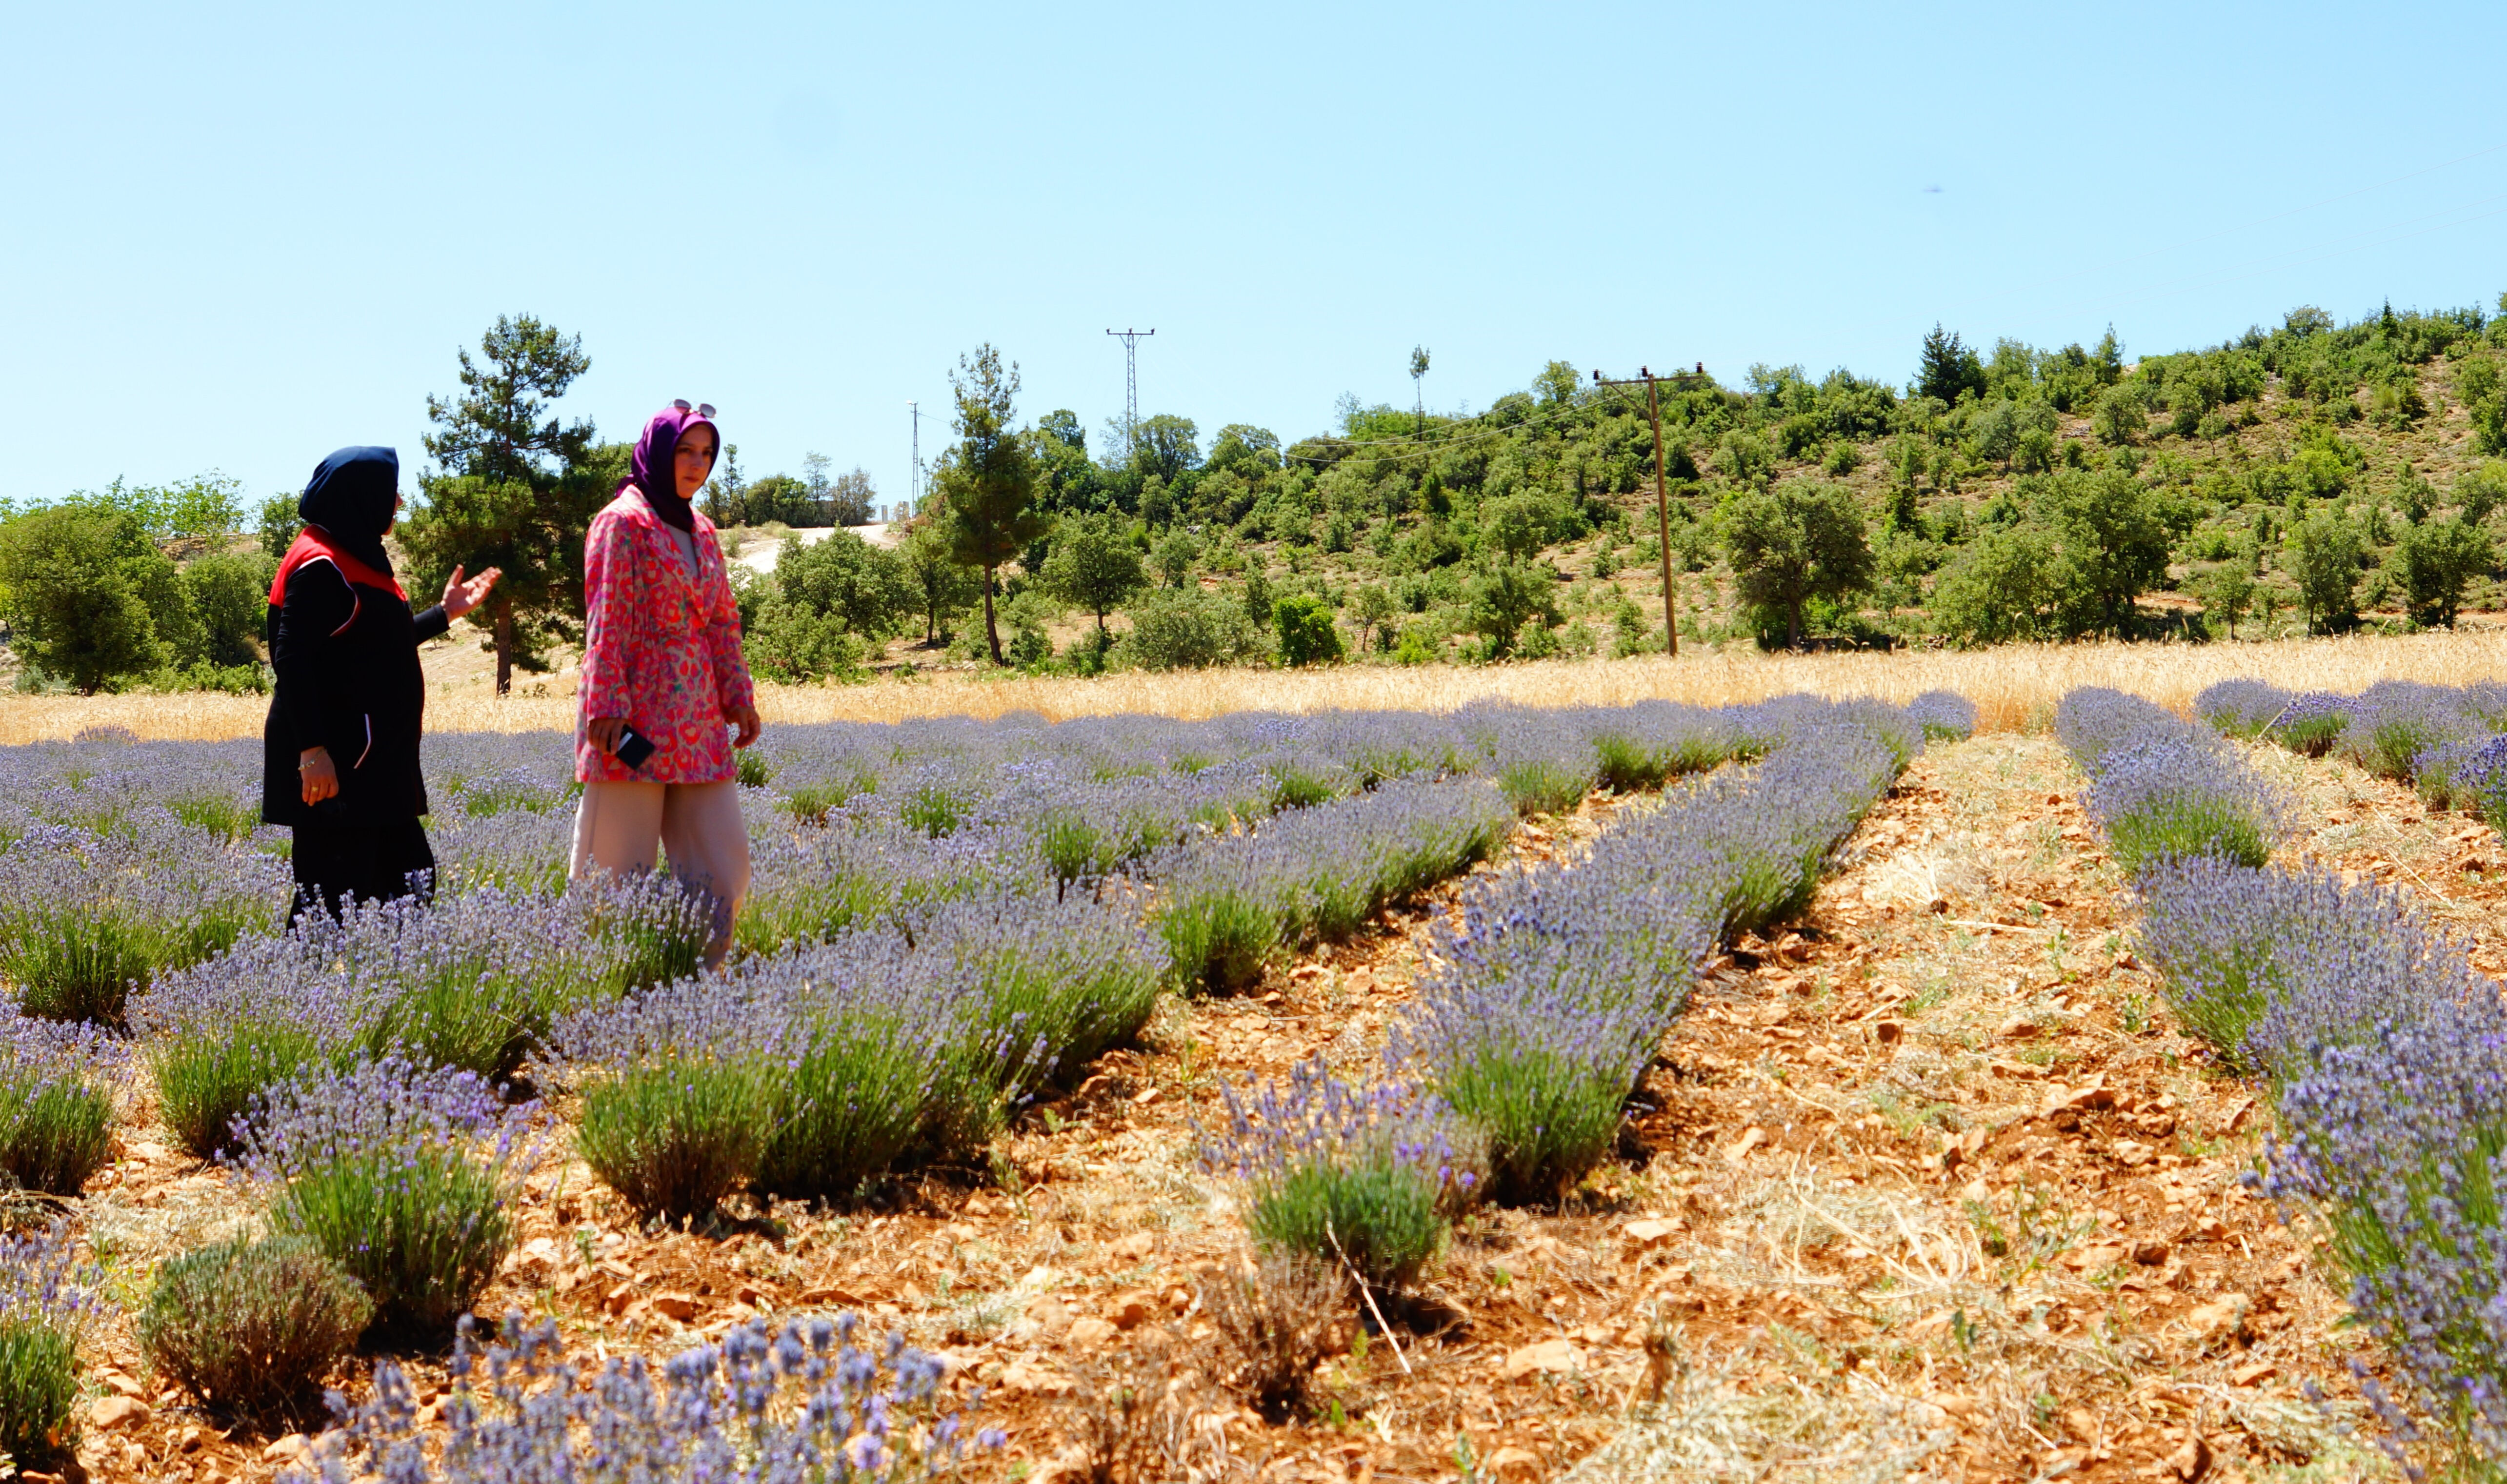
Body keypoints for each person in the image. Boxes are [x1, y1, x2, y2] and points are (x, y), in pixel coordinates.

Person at [263, 446, 501, 921]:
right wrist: (312, 751)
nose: (396, 503)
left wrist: (445, 614)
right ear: (361, 495)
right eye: (392, 493)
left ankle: (389, 990)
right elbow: (291, 658)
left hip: (375, 769)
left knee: (410, 885)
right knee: (325, 905)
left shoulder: (356, 556)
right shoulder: (320, 563)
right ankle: (291, 992)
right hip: (339, 769)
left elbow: (379, 645)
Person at [572, 401, 762, 968]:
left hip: (699, 721)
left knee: (725, 869)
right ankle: (606, 988)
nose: (697, 465)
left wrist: (739, 698)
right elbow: (607, 617)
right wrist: (605, 707)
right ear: (659, 451)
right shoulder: (621, 521)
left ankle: (698, 984)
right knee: (614, 876)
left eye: (707, 454)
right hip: (632, 718)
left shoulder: (703, 531)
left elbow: (724, 621)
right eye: (685, 451)